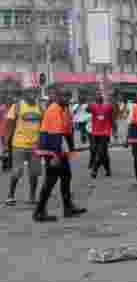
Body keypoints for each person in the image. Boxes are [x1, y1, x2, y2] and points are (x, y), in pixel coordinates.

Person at [34, 87, 86, 222]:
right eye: (64, 96)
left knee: (66, 176)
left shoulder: (65, 109)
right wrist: (56, 156)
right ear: (57, 97)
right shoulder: (54, 110)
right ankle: (39, 211)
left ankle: (68, 208)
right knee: (51, 180)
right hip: (51, 148)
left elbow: (68, 131)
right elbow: (56, 135)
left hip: (59, 147)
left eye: (68, 96)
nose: (66, 99)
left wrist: (72, 149)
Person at [5, 89, 44, 206]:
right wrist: (6, 144)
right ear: (25, 95)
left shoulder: (40, 108)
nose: (33, 95)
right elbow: (9, 125)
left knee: (35, 172)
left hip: (35, 146)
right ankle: (10, 195)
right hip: (19, 145)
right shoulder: (17, 106)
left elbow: (43, 125)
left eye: (35, 93)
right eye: (30, 93)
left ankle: (32, 197)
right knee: (17, 172)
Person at [87, 92, 116, 178]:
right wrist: (90, 101)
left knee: (101, 152)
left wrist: (114, 131)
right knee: (103, 153)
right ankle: (108, 170)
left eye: (100, 95)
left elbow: (112, 118)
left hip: (105, 133)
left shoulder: (108, 106)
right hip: (95, 133)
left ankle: (94, 169)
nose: (98, 96)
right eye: (96, 95)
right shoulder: (93, 106)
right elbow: (87, 109)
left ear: (102, 97)